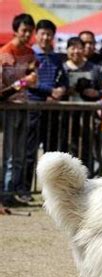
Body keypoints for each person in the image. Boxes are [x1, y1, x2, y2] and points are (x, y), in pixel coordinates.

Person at [24, 19, 68, 202]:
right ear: (37, 34)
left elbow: (64, 80)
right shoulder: (30, 55)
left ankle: (51, 193)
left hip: (53, 111)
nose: (45, 37)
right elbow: (29, 82)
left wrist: (61, 90)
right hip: (33, 107)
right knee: (29, 151)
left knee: (52, 152)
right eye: (42, 33)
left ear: (53, 36)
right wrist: (50, 91)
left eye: (49, 34)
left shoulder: (58, 58)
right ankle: (25, 189)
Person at [0, 13, 36, 207]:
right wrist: (24, 82)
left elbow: (32, 77)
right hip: (8, 108)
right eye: (24, 30)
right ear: (16, 30)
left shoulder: (30, 53)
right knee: (10, 155)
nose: (28, 34)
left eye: (31, 31)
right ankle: (5, 192)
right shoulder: (5, 53)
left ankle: (12, 191)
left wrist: (30, 79)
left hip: (24, 105)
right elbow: (4, 89)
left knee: (20, 154)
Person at [63, 36, 102, 176]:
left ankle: (87, 180)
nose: (76, 51)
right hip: (64, 116)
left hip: (88, 116)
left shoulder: (94, 68)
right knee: (67, 149)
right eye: (72, 47)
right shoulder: (62, 67)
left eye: (79, 47)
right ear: (67, 50)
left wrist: (95, 93)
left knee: (87, 148)